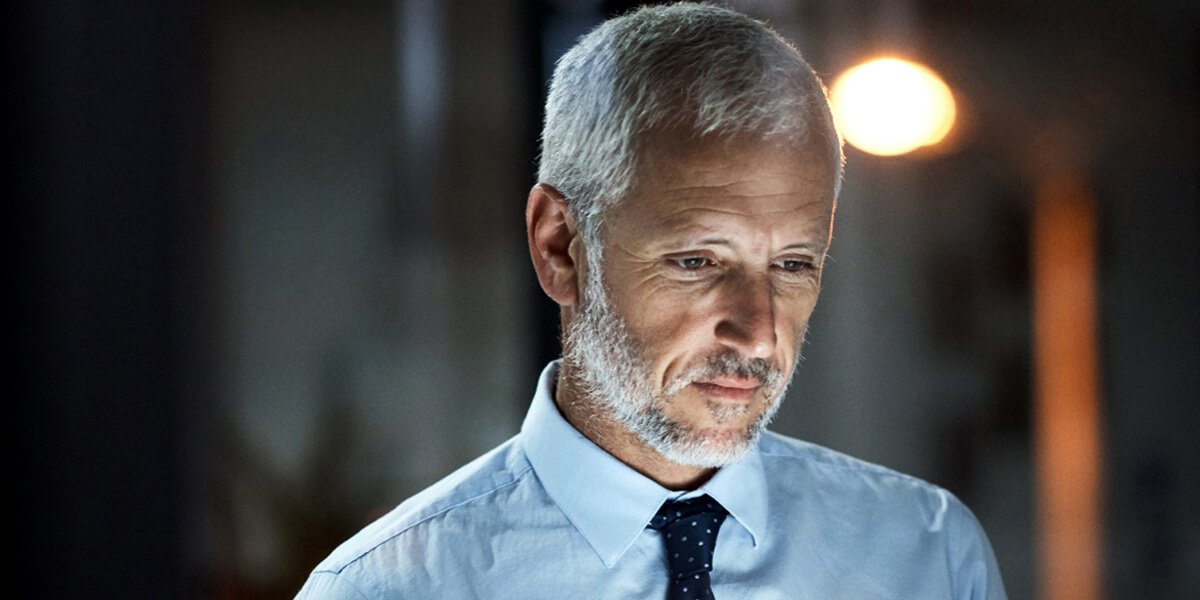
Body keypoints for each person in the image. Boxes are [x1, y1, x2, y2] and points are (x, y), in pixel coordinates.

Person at [297, 4, 1006, 598]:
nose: (758, 334)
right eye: (698, 261)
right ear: (559, 247)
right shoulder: (389, 590)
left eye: (792, 264)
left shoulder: (927, 557)